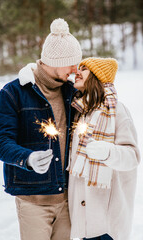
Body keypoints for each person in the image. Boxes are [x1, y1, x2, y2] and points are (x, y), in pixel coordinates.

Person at [0, 18, 82, 240]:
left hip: (69, 200)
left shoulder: (73, 93)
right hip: (33, 202)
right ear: (55, 60)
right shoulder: (13, 93)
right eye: (71, 63)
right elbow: (1, 142)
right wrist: (28, 159)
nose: (75, 69)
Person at [67, 57, 140, 240]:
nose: (77, 71)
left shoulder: (117, 111)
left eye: (84, 69)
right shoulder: (80, 112)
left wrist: (108, 152)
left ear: (97, 77)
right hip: (84, 220)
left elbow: (133, 156)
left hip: (107, 221)